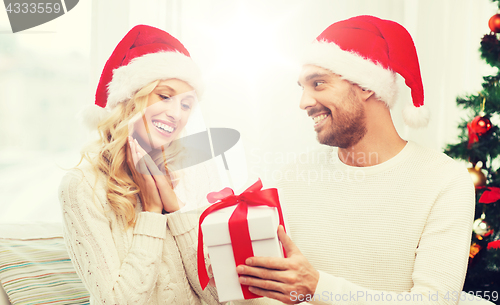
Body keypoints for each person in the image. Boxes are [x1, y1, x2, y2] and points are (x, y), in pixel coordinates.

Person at [235, 15, 475, 305]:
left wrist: (318, 286)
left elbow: (434, 301)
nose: (304, 102)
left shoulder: (444, 181)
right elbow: (277, 291)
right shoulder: (295, 175)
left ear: (365, 86)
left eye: (318, 84)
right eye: (302, 87)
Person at [59, 25, 222, 305]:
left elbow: (219, 295)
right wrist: (152, 212)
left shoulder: (198, 171)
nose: (175, 113)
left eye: (186, 105)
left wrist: (175, 208)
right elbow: (119, 301)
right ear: (130, 99)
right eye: (164, 95)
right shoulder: (82, 186)